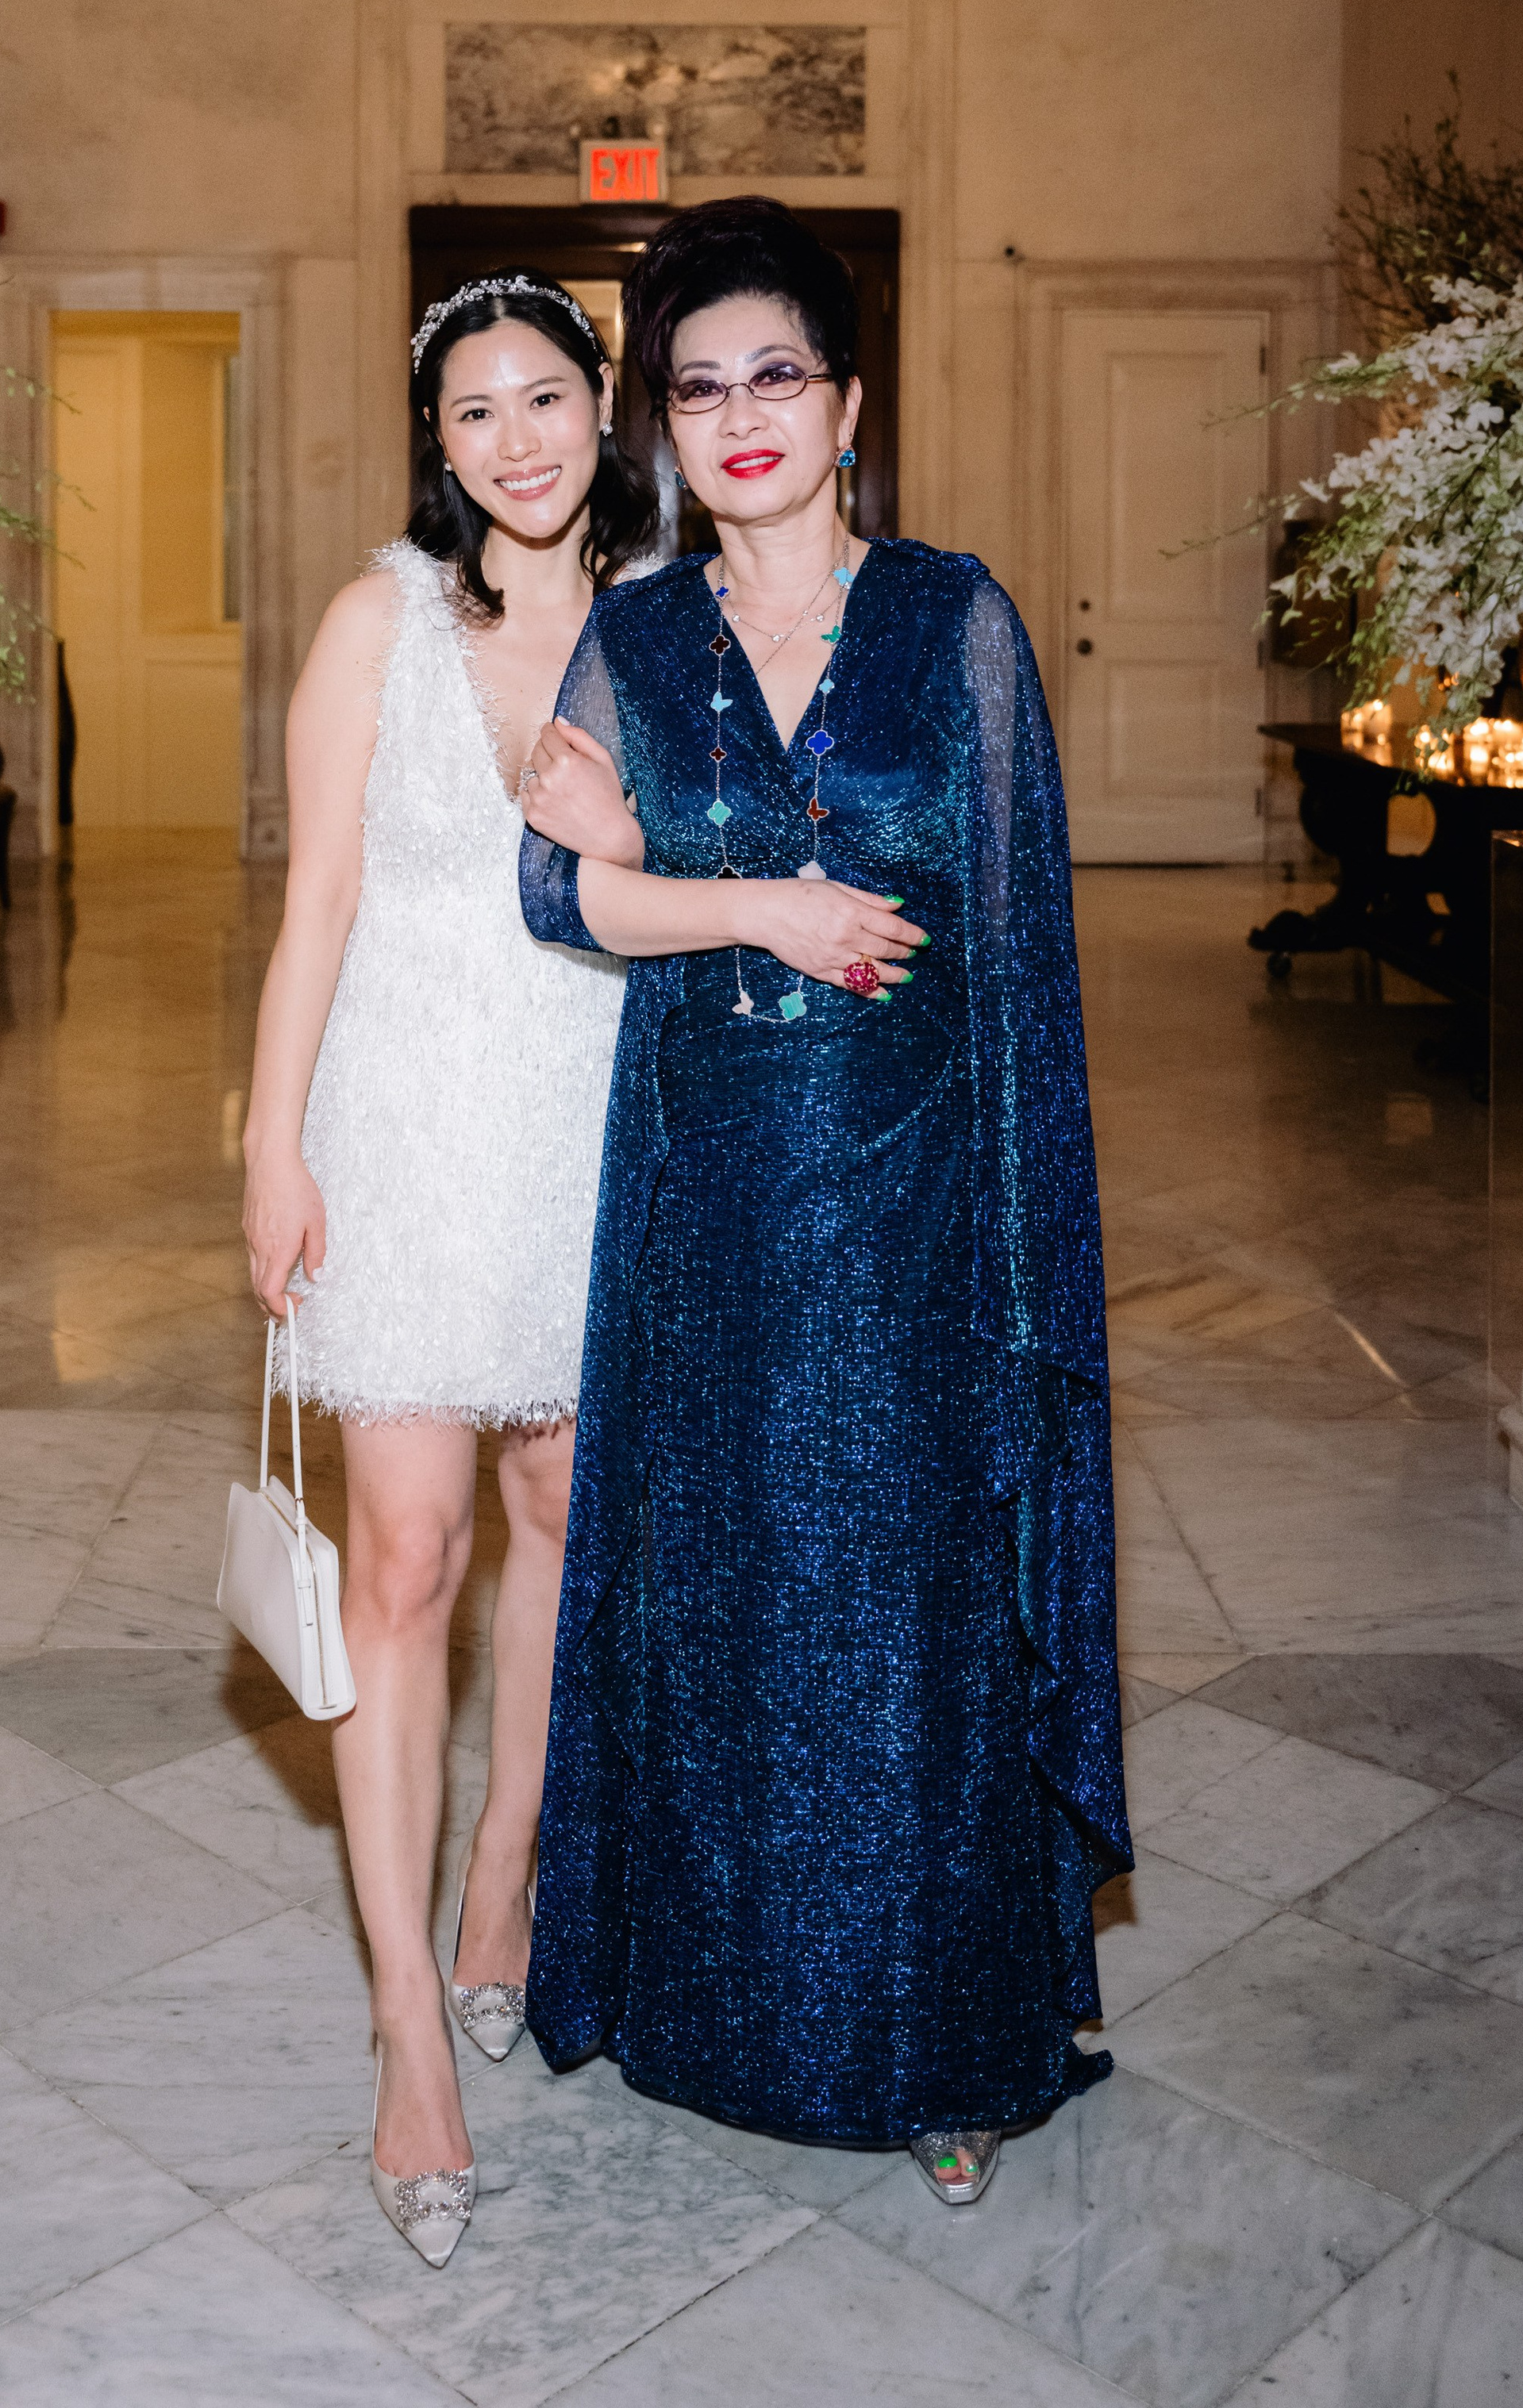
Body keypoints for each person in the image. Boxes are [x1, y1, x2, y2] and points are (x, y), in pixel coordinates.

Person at [516, 195, 1129, 2206]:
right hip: (704, 1206)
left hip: (916, 1204)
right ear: (663, 432)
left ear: (846, 400)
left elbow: (1018, 947)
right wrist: (752, 899)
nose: (737, 415)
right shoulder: (634, 635)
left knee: (911, 1610)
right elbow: (559, 889)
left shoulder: (954, 617)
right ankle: (715, 2008)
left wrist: (1025, 1252)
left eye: (773, 372)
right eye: (696, 387)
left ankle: (941, 2041)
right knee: (727, 1603)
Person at [240, 275, 696, 2264]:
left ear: (605, 409)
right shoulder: (376, 625)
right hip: (412, 1127)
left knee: (559, 1514)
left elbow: (709, 877)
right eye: (470, 412)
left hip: (598, 1119)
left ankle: (507, 1860)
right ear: (436, 445)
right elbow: (316, 897)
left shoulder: (670, 624)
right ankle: (407, 2023)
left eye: (543, 397)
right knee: (406, 1556)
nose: (513, 439)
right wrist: (272, 1142)